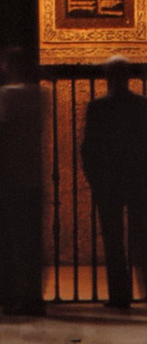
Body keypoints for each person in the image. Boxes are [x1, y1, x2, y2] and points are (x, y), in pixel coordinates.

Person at [81, 55, 147, 309]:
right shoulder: (141, 105)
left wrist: (94, 177)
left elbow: (89, 147)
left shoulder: (98, 107)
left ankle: (120, 295)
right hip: (138, 177)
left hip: (109, 180)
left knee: (113, 238)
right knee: (141, 237)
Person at [0, 46, 46, 316]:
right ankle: (35, 295)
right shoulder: (40, 93)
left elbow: (1, 132)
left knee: (13, 237)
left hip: (12, 174)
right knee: (31, 239)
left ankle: (16, 295)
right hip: (34, 172)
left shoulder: (7, 94)